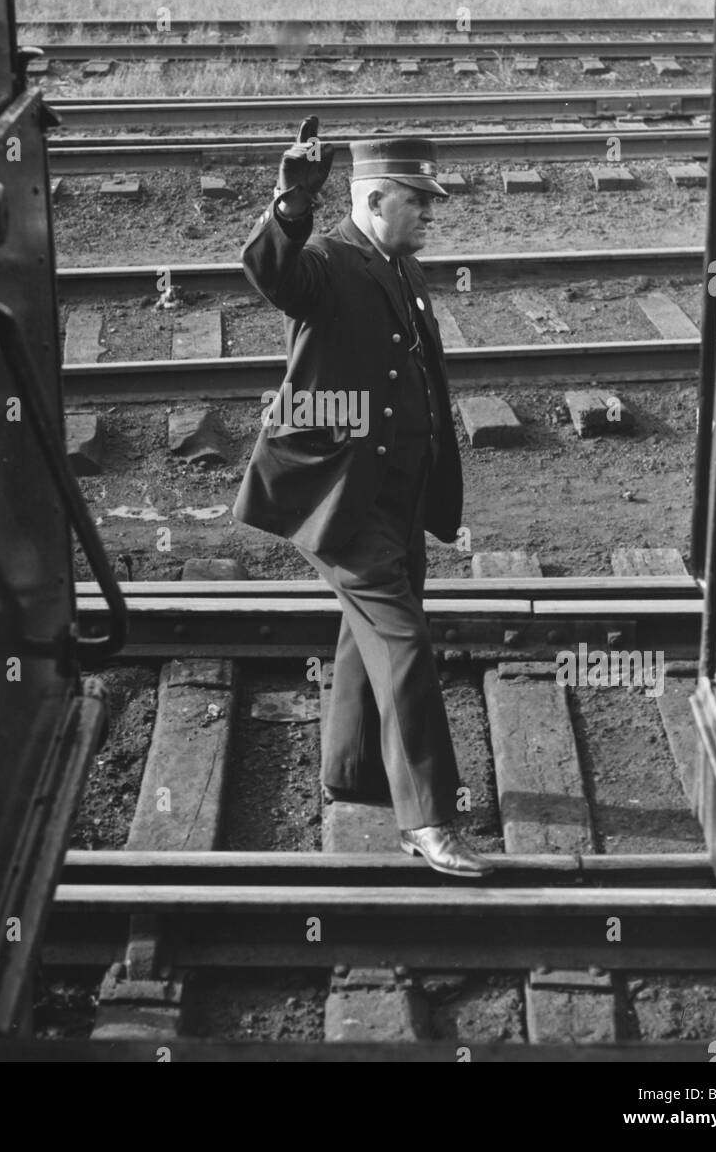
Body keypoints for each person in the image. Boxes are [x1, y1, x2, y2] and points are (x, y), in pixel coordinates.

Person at [233, 118, 492, 878]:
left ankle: (351, 769)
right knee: (404, 643)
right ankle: (428, 819)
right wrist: (288, 205)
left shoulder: (399, 261)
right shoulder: (326, 262)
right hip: (338, 497)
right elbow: (273, 274)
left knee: (367, 636)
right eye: (420, 200)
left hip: (395, 492)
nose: (432, 212)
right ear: (376, 200)